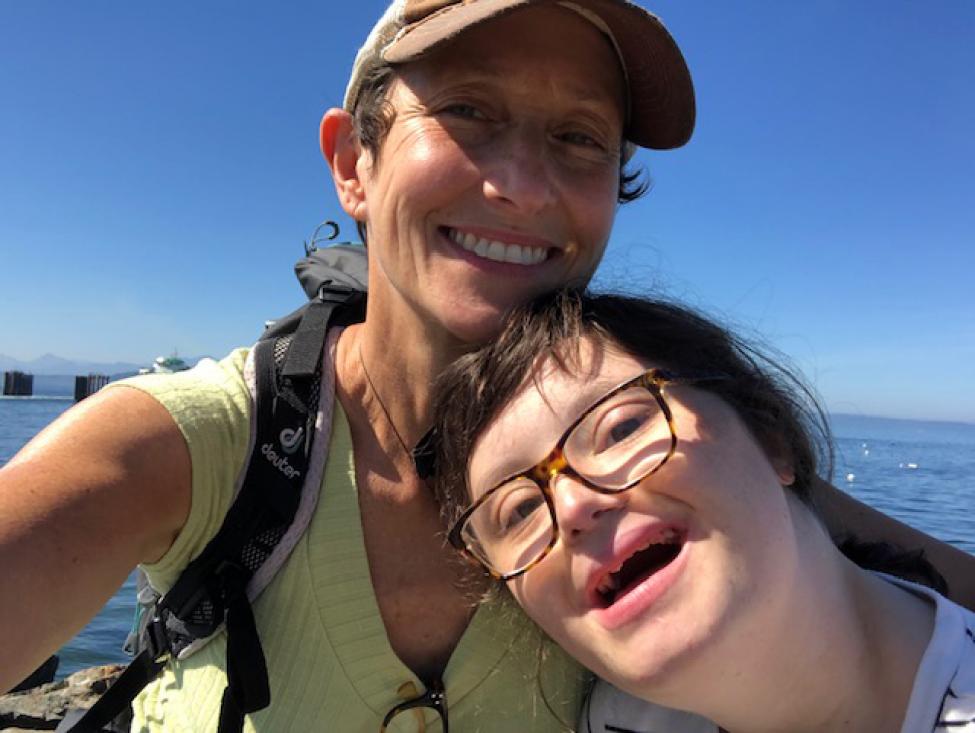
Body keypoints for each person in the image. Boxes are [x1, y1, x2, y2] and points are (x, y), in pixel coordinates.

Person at [1, 1, 972, 731]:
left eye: (579, 136)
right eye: (467, 112)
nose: (520, 186)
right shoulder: (212, 442)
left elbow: (889, 578)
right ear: (354, 166)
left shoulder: (665, 450)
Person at [430, 289, 975, 733]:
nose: (570, 506)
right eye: (519, 511)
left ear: (772, 438)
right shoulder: (617, 720)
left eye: (621, 427)